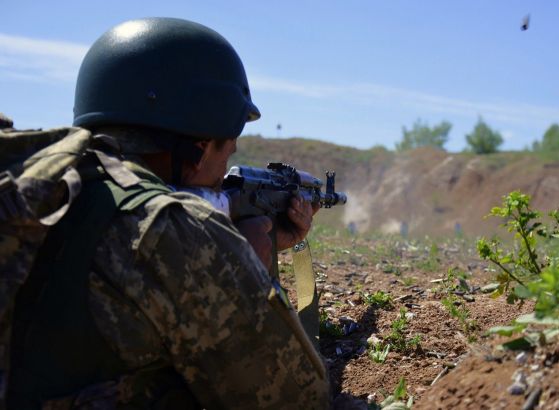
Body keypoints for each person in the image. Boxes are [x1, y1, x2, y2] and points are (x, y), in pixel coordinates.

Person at [7, 17, 330, 409]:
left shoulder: (36, 181)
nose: (230, 156)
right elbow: (297, 397)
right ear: (200, 140)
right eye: (230, 143)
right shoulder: (175, 230)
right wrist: (251, 263)